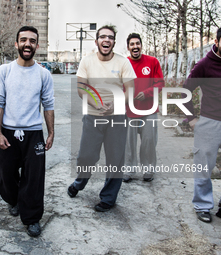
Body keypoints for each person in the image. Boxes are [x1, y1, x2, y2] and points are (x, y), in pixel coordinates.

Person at [0, 26, 54, 237]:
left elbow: (48, 104)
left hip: (33, 133)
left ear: (37, 45)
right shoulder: (5, 70)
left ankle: (32, 218)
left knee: (34, 179)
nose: (28, 44)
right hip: (8, 132)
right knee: (4, 176)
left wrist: (51, 132)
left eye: (32, 41)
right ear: (17, 44)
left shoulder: (43, 74)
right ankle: (14, 199)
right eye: (24, 40)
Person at [67, 25, 136, 212]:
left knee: (115, 159)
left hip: (117, 117)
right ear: (96, 40)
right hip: (93, 116)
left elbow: (130, 89)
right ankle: (79, 183)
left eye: (110, 37)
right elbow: (81, 89)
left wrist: (117, 103)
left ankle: (108, 198)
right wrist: (96, 103)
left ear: (114, 41)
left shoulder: (123, 62)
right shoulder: (86, 62)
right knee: (86, 157)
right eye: (103, 36)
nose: (107, 40)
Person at [183, 27, 221, 223]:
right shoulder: (204, 65)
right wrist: (191, 118)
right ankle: (203, 205)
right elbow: (185, 91)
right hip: (210, 122)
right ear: (217, 41)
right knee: (203, 167)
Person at [122, 33, 164, 183]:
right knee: (128, 144)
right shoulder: (123, 64)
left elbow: (160, 84)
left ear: (141, 45)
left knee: (149, 142)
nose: (135, 46)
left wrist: (146, 93)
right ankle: (128, 170)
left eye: (137, 43)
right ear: (128, 47)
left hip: (148, 111)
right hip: (129, 112)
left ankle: (148, 170)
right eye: (132, 44)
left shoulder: (152, 62)